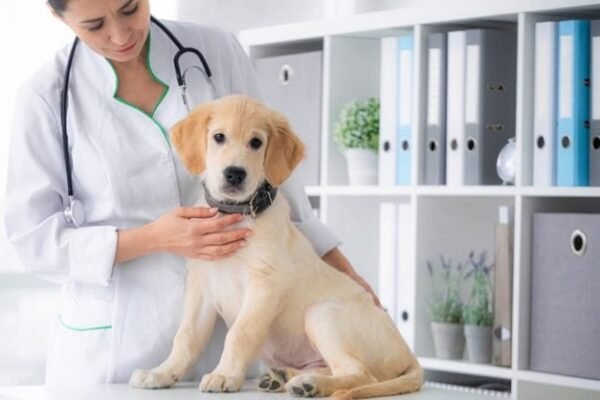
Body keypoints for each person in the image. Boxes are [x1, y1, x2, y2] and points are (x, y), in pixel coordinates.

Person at [4, 0, 380, 385]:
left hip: (229, 329)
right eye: (95, 24)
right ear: (58, 16)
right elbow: (33, 240)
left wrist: (346, 275)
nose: (120, 35)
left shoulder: (217, 51)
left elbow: (278, 184)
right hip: (112, 342)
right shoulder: (44, 97)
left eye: (130, 8)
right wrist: (151, 239)